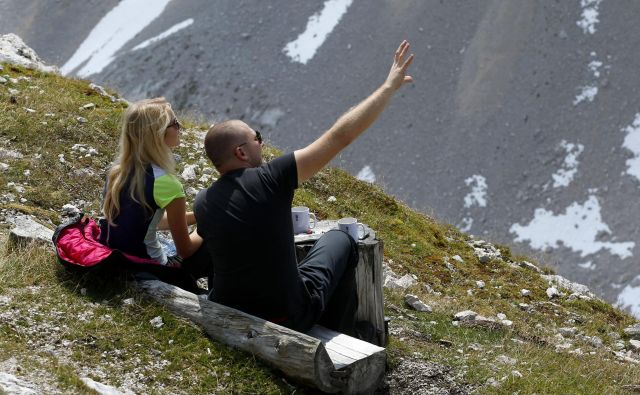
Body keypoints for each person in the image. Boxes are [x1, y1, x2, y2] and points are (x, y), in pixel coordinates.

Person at [194, 41, 414, 335]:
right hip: (286, 317)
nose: (262, 141)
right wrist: (388, 87)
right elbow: (340, 137)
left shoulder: (203, 202)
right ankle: (344, 332)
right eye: (256, 137)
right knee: (341, 240)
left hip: (231, 310)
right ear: (241, 153)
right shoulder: (272, 177)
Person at [99, 97, 212, 292]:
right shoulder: (167, 183)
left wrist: (197, 217)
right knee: (215, 241)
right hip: (148, 264)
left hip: (114, 256)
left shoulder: (117, 172)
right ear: (157, 133)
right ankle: (216, 298)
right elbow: (185, 250)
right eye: (174, 123)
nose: (180, 126)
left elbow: (152, 222)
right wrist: (207, 226)